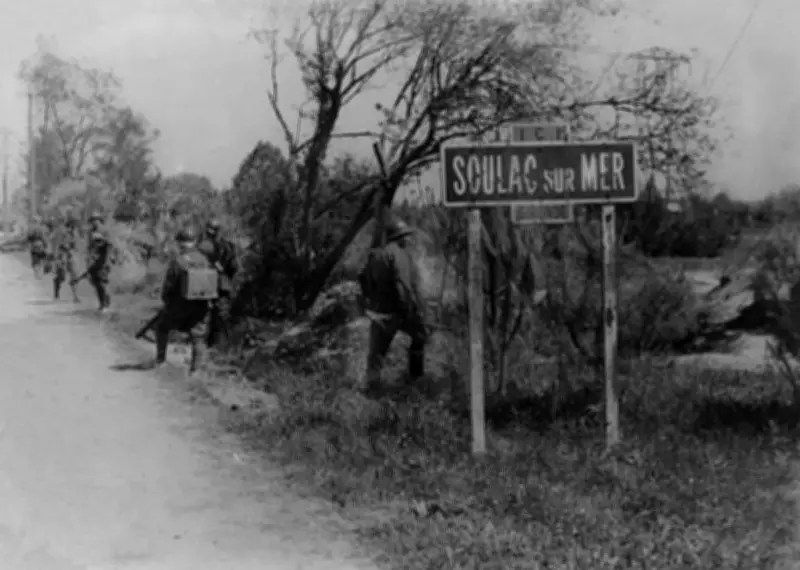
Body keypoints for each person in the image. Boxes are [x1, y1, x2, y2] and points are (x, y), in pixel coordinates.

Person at [358, 217, 429, 392]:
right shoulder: (399, 255)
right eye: (405, 236)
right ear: (400, 237)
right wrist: (407, 310)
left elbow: (362, 279)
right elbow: (402, 285)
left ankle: (371, 390)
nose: (408, 239)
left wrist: (370, 304)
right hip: (396, 311)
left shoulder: (375, 254)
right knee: (420, 335)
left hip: (377, 312)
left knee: (375, 355)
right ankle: (415, 381)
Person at [152, 227, 217, 374]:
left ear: (179, 243)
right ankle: (195, 372)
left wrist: (167, 302)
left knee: (162, 327)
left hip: (179, 306)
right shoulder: (205, 260)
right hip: (202, 306)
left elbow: (169, 286)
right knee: (198, 337)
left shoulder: (179, 261)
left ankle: (160, 360)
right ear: (194, 242)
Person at [197, 219, 239, 348]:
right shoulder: (229, 246)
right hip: (221, 283)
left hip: (206, 283)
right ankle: (221, 345)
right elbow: (234, 267)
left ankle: (206, 343)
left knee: (203, 314)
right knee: (221, 316)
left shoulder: (201, 245)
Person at [85, 213, 113, 311]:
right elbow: (89, 247)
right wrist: (88, 260)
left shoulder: (105, 230)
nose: (94, 222)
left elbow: (110, 245)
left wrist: (107, 260)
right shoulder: (90, 232)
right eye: (92, 220)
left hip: (104, 259)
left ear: (99, 220)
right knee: (95, 283)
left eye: (96, 219)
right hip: (94, 260)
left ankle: (104, 303)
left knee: (103, 282)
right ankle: (102, 302)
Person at [51, 217, 80, 302]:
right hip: (63, 256)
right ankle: (56, 294)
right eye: (72, 227)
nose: (73, 229)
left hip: (71, 256)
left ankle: (75, 296)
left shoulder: (76, 235)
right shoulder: (62, 234)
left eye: (74, 227)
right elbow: (59, 245)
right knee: (61, 276)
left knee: (74, 275)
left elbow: (78, 247)